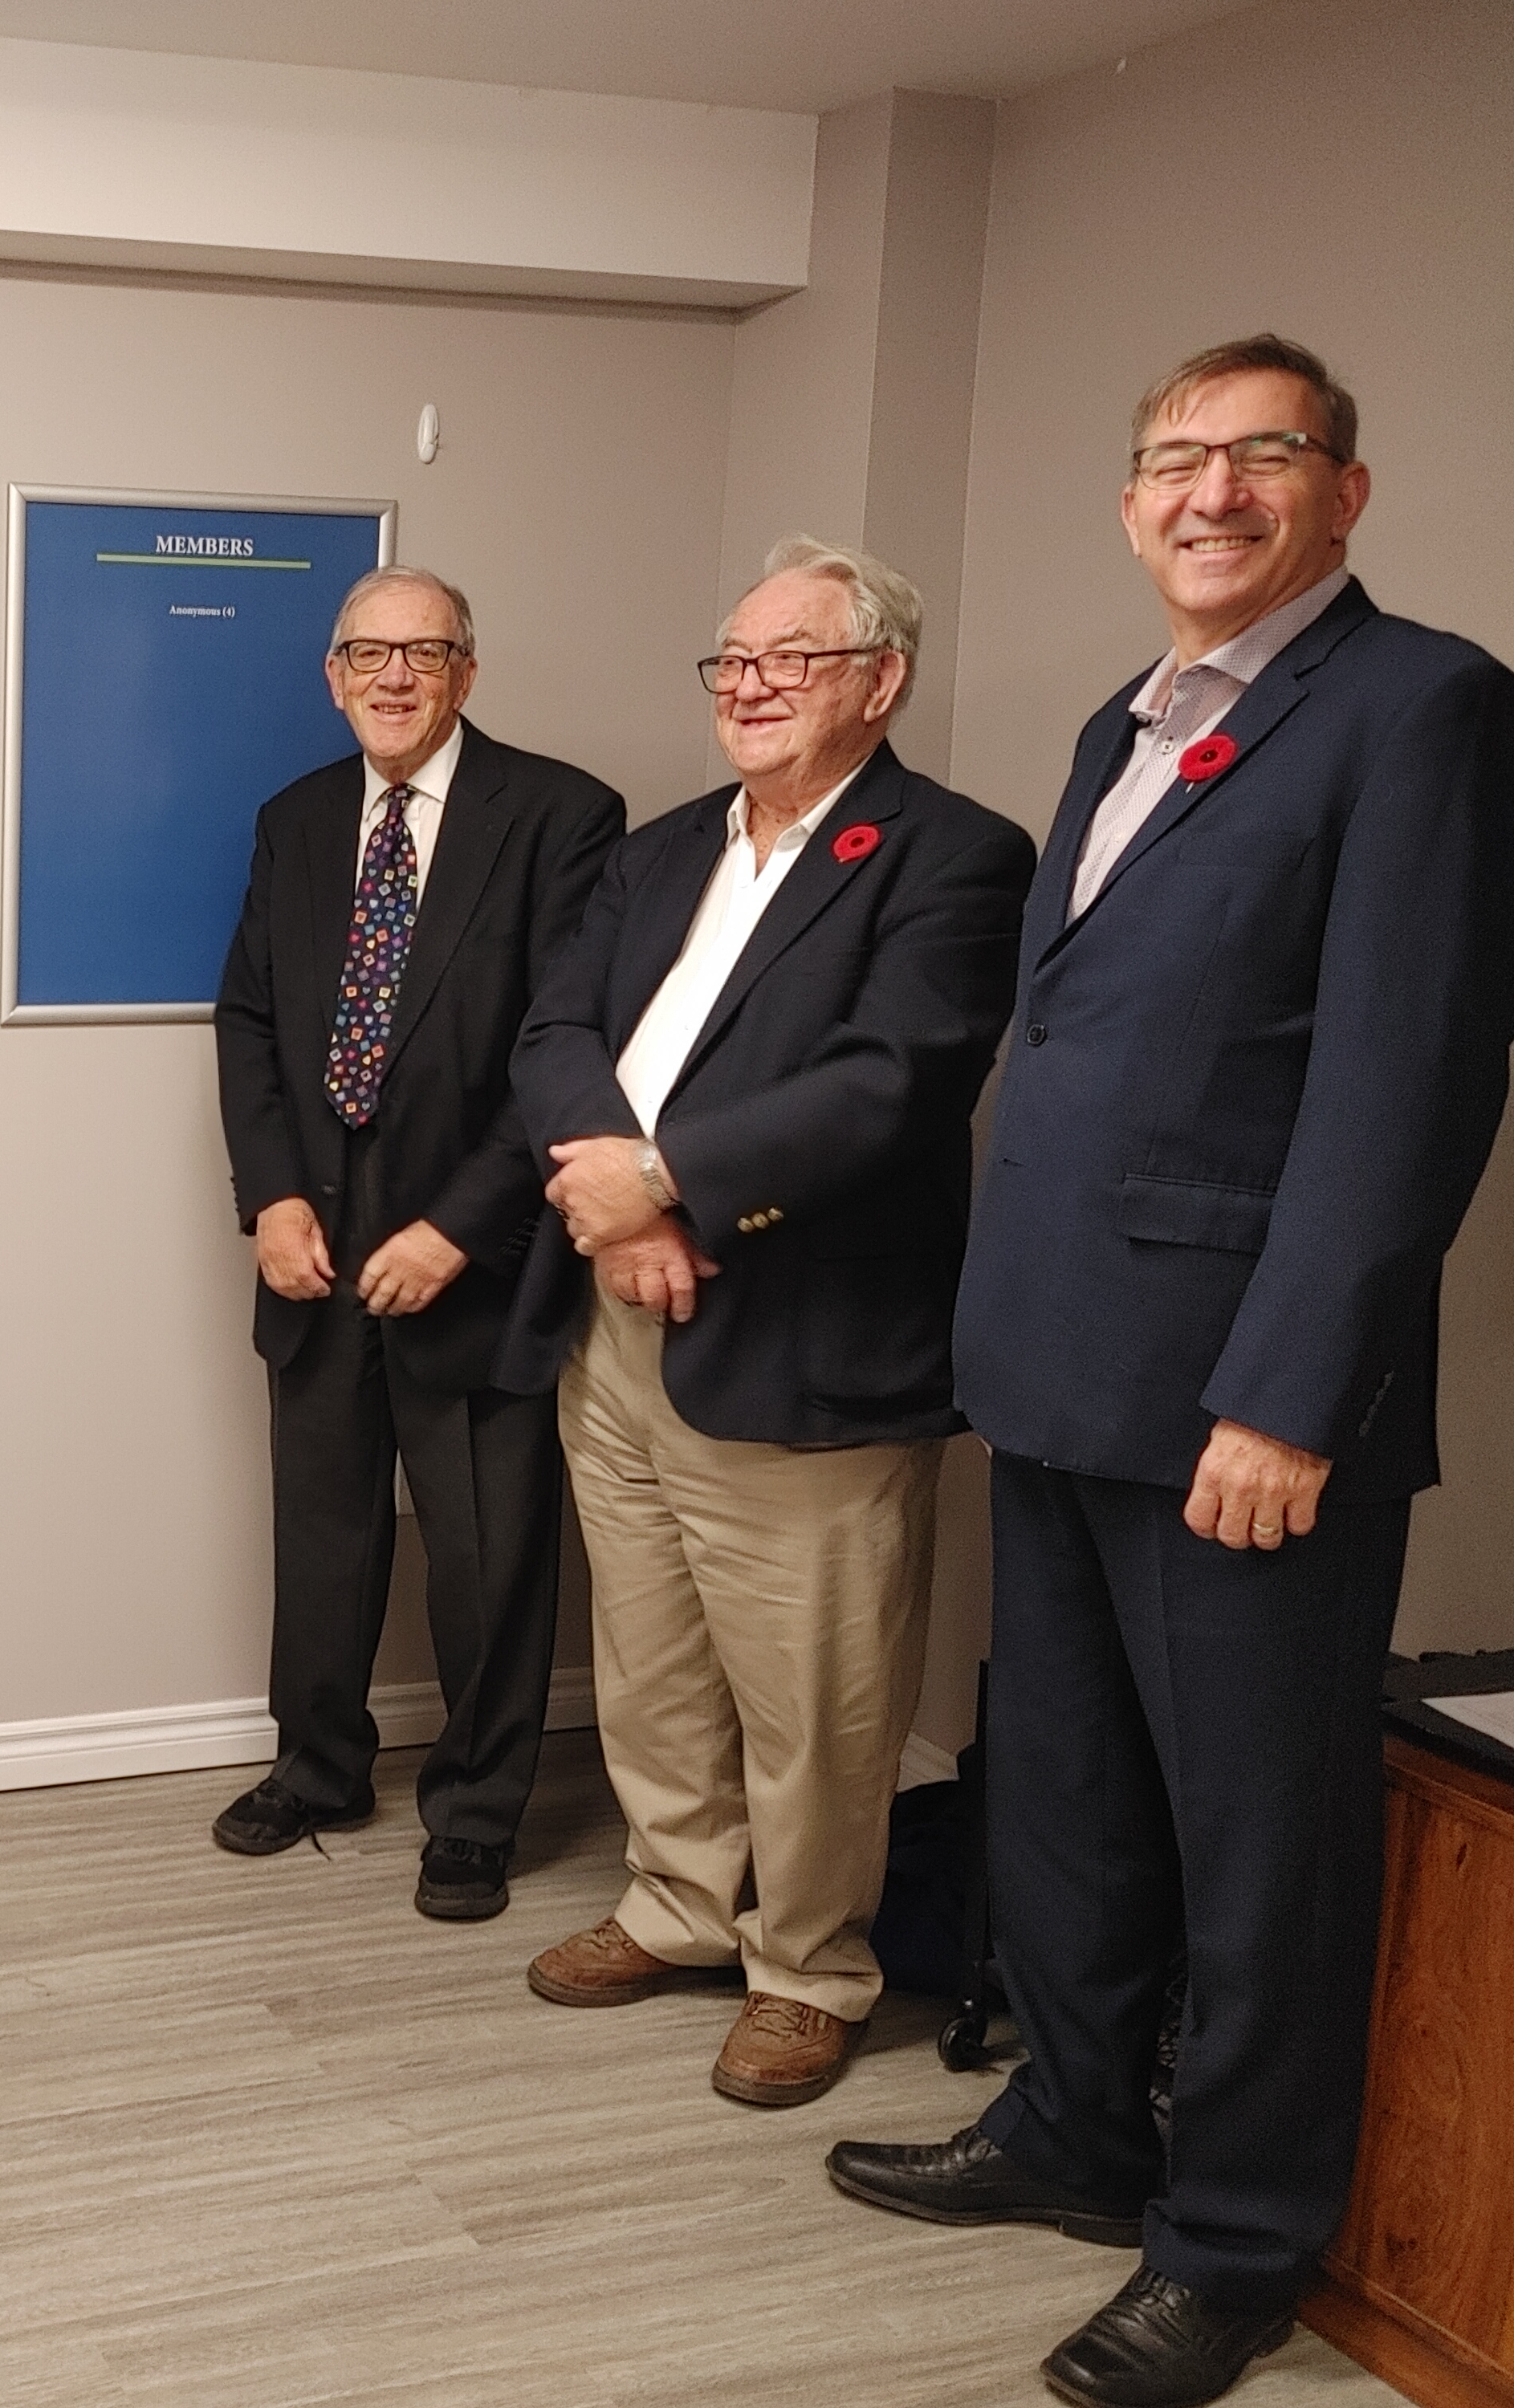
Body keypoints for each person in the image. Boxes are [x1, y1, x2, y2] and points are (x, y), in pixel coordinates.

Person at [830, 338, 1514, 2408]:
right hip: (1052, 1370)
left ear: (1344, 493)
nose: (1209, 492)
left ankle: (1229, 2238)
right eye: (1170, 461)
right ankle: (1070, 2126)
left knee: (1256, 1844)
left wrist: (1289, 1395)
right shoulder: (1117, 725)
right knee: (1064, 1799)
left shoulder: (1421, 709)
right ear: (1129, 501)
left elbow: (1404, 1087)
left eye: (1259, 455)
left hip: (1240, 1412)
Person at [505, 537, 1033, 2107]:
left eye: (787, 659)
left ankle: (807, 1966)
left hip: (802, 1336)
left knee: (814, 1691)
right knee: (649, 1653)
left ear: (879, 681)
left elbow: (890, 1083)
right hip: (613, 1319)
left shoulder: (951, 856)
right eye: (729, 660)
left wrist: (666, 1189)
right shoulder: (660, 849)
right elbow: (551, 1030)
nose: (746, 687)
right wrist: (608, 1207)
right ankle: (676, 1905)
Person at [209, 566, 623, 1919]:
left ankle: (478, 1811)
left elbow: (566, 1049)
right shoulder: (297, 820)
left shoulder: (561, 818)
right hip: (314, 1247)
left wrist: (460, 1225)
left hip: (478, 1260)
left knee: (490, 1559)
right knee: (322, 1535)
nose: (394, 677)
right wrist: (270, 1197)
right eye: (367, 654)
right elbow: (254, 1022)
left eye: (424, 652)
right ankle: (319, 1766)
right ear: (332, 675)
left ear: (467, 673)